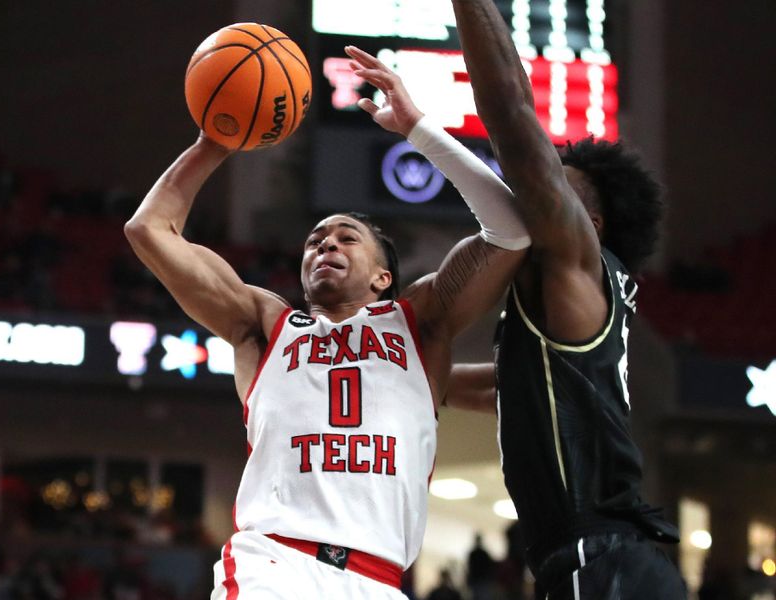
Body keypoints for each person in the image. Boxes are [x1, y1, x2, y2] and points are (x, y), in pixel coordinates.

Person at [124, 45, 529, 599]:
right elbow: (149, 231)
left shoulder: (420, 323)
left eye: (345, 238)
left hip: (379, 580)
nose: (325, 245)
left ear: (384, 277)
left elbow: (509, 230)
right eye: (315, 240)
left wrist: (417, 129)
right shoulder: (264, 325)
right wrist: (215, 142)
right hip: (275, 564)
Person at [445, 2, 687, 598]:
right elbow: (507, 389)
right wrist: (388, 374)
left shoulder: (577, 261)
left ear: (593, 224)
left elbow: (510, 109)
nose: (536, 190)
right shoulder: (572, 313)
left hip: (601, 560)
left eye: (556, 185)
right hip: (601, 564)